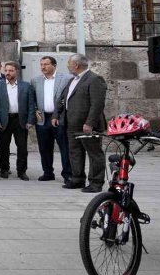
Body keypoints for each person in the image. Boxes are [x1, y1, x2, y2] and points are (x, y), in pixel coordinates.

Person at [54, 53, 107, 193]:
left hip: (87, 125)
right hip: (71, 124)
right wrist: (56, 115)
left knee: (94, 154)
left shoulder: (95, 79)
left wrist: (89, 123)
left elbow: (97, 104)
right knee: (75, 153)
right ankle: (77, 179)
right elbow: (62, 99)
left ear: (76, 65)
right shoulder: (73, 80)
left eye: (69, 63)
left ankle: (96, 183)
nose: (67, 65)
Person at [0, 61, 35, 180]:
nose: (8, 73)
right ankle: (4, 169)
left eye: (11, 71)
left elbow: (31, 105)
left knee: (22, 147)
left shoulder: (26, 86)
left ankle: (21, 171)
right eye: (6, 71)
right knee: (3, 147)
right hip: (4, 121)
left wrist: (30, 120)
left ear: (17, 72)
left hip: (20, 120)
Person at [31, 56, 72, 183]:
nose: (43, 67)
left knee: (64, 146)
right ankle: (48, 172)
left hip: (59, 118)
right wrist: (35, 109)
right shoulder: (35, 80)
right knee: (44, 147)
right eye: (41, 64)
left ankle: (67, 174)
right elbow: (31, 98)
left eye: (46, 64)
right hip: (42, 118)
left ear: (54, 65)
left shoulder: (66, 79)